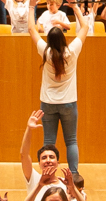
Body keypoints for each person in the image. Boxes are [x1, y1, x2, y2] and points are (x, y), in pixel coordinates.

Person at [35, 24, 86, 175]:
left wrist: (31, 8)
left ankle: (48, 174)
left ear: (49, 41)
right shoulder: (72, 51)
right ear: (63, 39)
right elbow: (85, 27)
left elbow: (31, 29)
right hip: (69, 103)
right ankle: (74, 175)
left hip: (48, 103)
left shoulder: (46, 52)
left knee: (49, 142)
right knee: (71, 141)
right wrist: (75, 8)